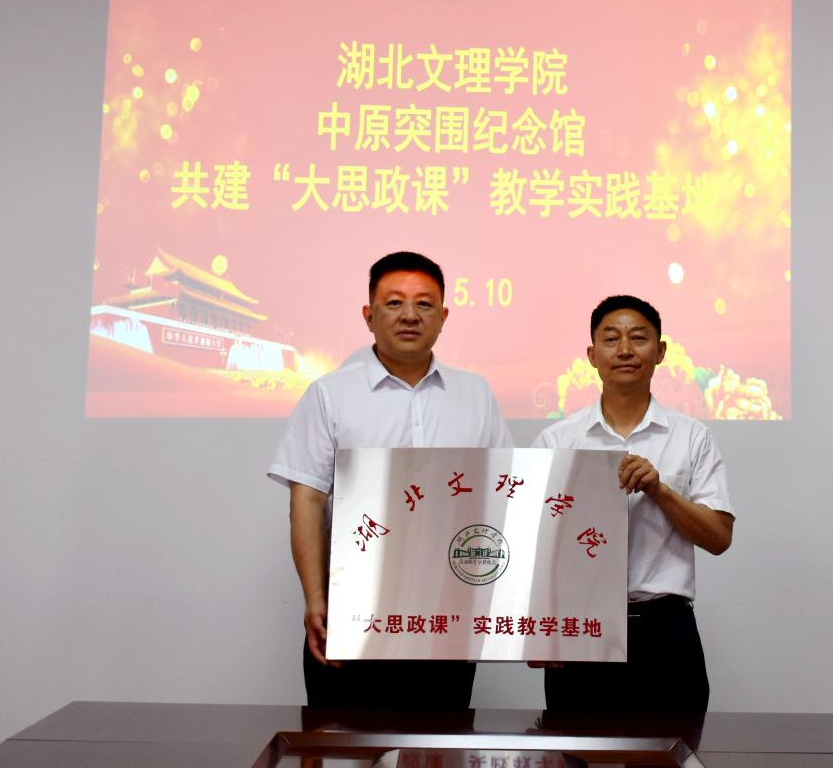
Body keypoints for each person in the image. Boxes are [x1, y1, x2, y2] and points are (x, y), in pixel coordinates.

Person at [268, 251, 512, 709]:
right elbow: (307, 499)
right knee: (341, 738)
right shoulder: (331, 394)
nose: (410, 315)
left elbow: (501, 494)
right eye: (394, 302)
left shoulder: (475, 394)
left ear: (443, 317)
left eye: (424, 304)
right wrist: (315, 598)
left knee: (438, 741)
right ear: (369, 315)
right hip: (353, 612)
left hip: (448, 614)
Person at [531, 295, 735, 712]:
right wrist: (538, 630)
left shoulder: (691, 437)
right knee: (575, 744)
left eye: (639, 338)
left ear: (660, 351)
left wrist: (661, 491)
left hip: (666, 631)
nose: (625, 349)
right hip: (580, 629)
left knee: (675, 745)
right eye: (611, 339)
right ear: (592, 355)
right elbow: (531, 546)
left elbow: (719, 538)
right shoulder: (558, 440)